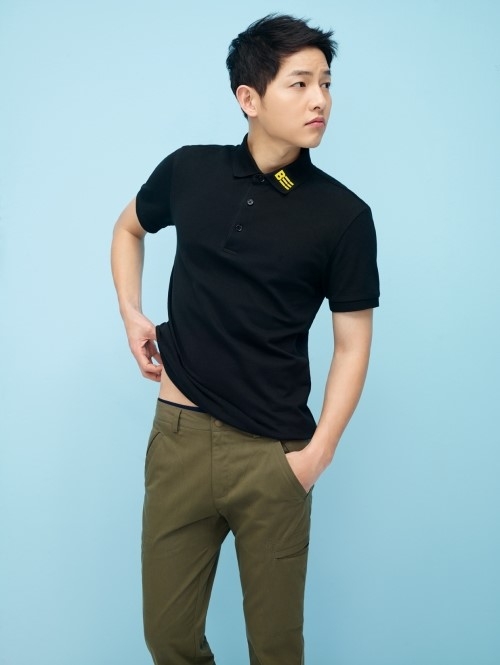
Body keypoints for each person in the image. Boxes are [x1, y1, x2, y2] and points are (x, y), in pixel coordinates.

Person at [111, 13, 379, 665]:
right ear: (249, 99)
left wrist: (315, 457)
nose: (320, 100)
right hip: (179, 440)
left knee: (276, 650)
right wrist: (131, 313)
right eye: (300, 83)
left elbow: (352, 345)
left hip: (275, 456)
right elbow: (128, 228)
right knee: (168, 638)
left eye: (326, 83)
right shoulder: (189, 171)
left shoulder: (344, 216)